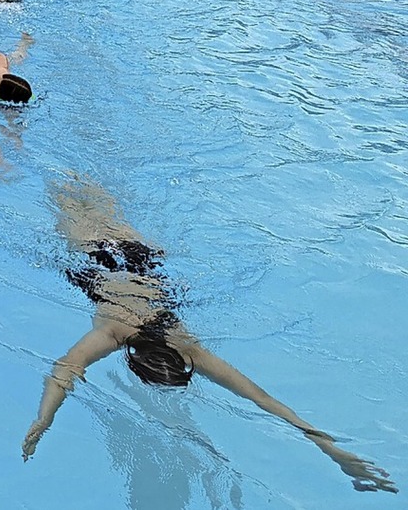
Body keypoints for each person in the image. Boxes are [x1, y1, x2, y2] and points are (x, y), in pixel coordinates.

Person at [21, 177, 397, 494]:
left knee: (75, 187)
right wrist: (43, 419)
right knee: (68, 190)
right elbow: (65, 367)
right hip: (101, 254)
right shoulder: (121, 333)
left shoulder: (183, 347)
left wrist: (336, 452)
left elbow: (67, 369)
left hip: (139, 254)